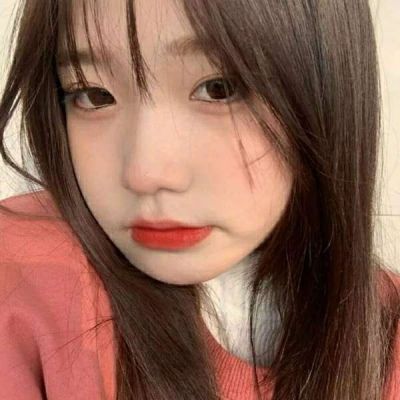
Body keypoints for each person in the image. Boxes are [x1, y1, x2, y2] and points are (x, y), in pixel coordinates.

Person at [0, 0, 399, 399]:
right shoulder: (26, 278)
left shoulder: (388, 337)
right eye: (93, 95)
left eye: (219, 89)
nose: (145, 174)